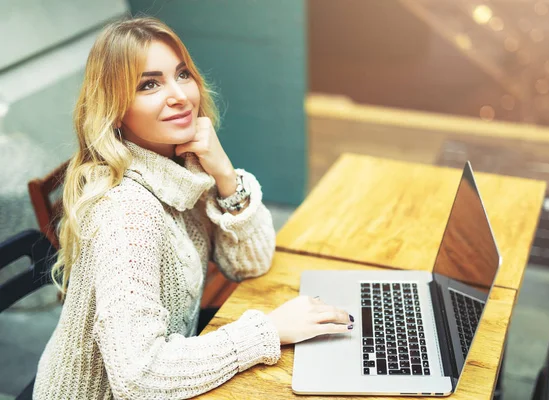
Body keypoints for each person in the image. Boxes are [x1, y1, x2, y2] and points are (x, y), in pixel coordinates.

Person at [33, 16, 353, 399]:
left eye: (182, 74)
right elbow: (140, 376)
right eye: (149, 84)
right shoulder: (126, 212)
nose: (180, 95)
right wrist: (268, 330)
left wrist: (225, 176)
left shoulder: (181, 171)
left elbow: (250, 263)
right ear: (115, 109)